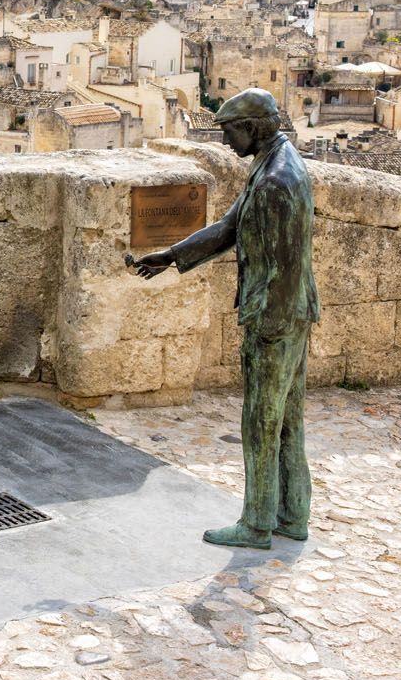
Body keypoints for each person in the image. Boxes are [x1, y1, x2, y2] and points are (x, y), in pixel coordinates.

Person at [129, 88, 318, 550]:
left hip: (275, 316)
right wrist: (172, 256)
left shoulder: (276, 180)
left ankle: (256, 524)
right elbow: (232, 227)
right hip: (293, 311)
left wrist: (263, 324)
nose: (226, 141)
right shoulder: (277, 162)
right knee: (288, 418)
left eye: (229, 131)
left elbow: (280, 265)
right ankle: (291, 514)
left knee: (260, 421)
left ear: (251, 127)